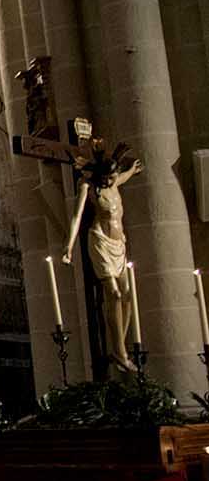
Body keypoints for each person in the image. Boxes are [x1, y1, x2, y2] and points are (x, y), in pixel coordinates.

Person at [62, 142, 143, 371]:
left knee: (127, 295)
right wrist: (69, 246)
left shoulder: (115, 182)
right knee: (114, 294)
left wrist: (132, 169)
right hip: (100, 241)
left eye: (112, 178)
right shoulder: (88, 186)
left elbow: (125, 176)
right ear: (100, 175)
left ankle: (118, 348)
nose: (109, 182)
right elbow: (77, 216)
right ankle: (121, 352)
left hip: (119, 244)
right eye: (106, 179)